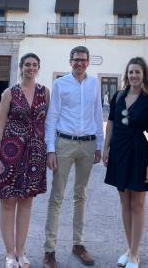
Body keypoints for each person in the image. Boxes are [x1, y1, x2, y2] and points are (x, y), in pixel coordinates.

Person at [43, 46, 103, 268]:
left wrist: (98, 144)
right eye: (76, 60)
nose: (79, 63)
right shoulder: (60, 84)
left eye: (83, 60)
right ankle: (49, 250)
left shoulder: (94, 84)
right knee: (57, 197)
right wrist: (50, 149)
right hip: (64, 144)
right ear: (70, 62)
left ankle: (78, 244)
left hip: (87, 145)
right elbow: (53, 116)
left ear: (88, 62)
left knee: (81, 195)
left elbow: (97, 114)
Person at [0, 53, 49, 268]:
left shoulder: (45, 92)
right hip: (10, 152)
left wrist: (48, 151)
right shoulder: (10, 93)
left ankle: (21, 252)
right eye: (27, 65)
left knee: (26, 202)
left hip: (35, 154)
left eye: (34, 65)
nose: (30, 68)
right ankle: (9, 253)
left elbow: (47, 123)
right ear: (21, 67)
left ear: (38, 67)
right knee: (8, 202)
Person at [103, 57, 148, 268]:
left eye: (137, 72)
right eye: (131, 72)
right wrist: (107, 148)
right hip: (118, 151)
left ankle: (135, 253)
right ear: (127, 75)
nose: (134, 75)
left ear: (144, 74)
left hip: (138, 152)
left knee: (138, 203)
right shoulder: (118, 96)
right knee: (124, 202)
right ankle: (129, 248)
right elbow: (110, 125)